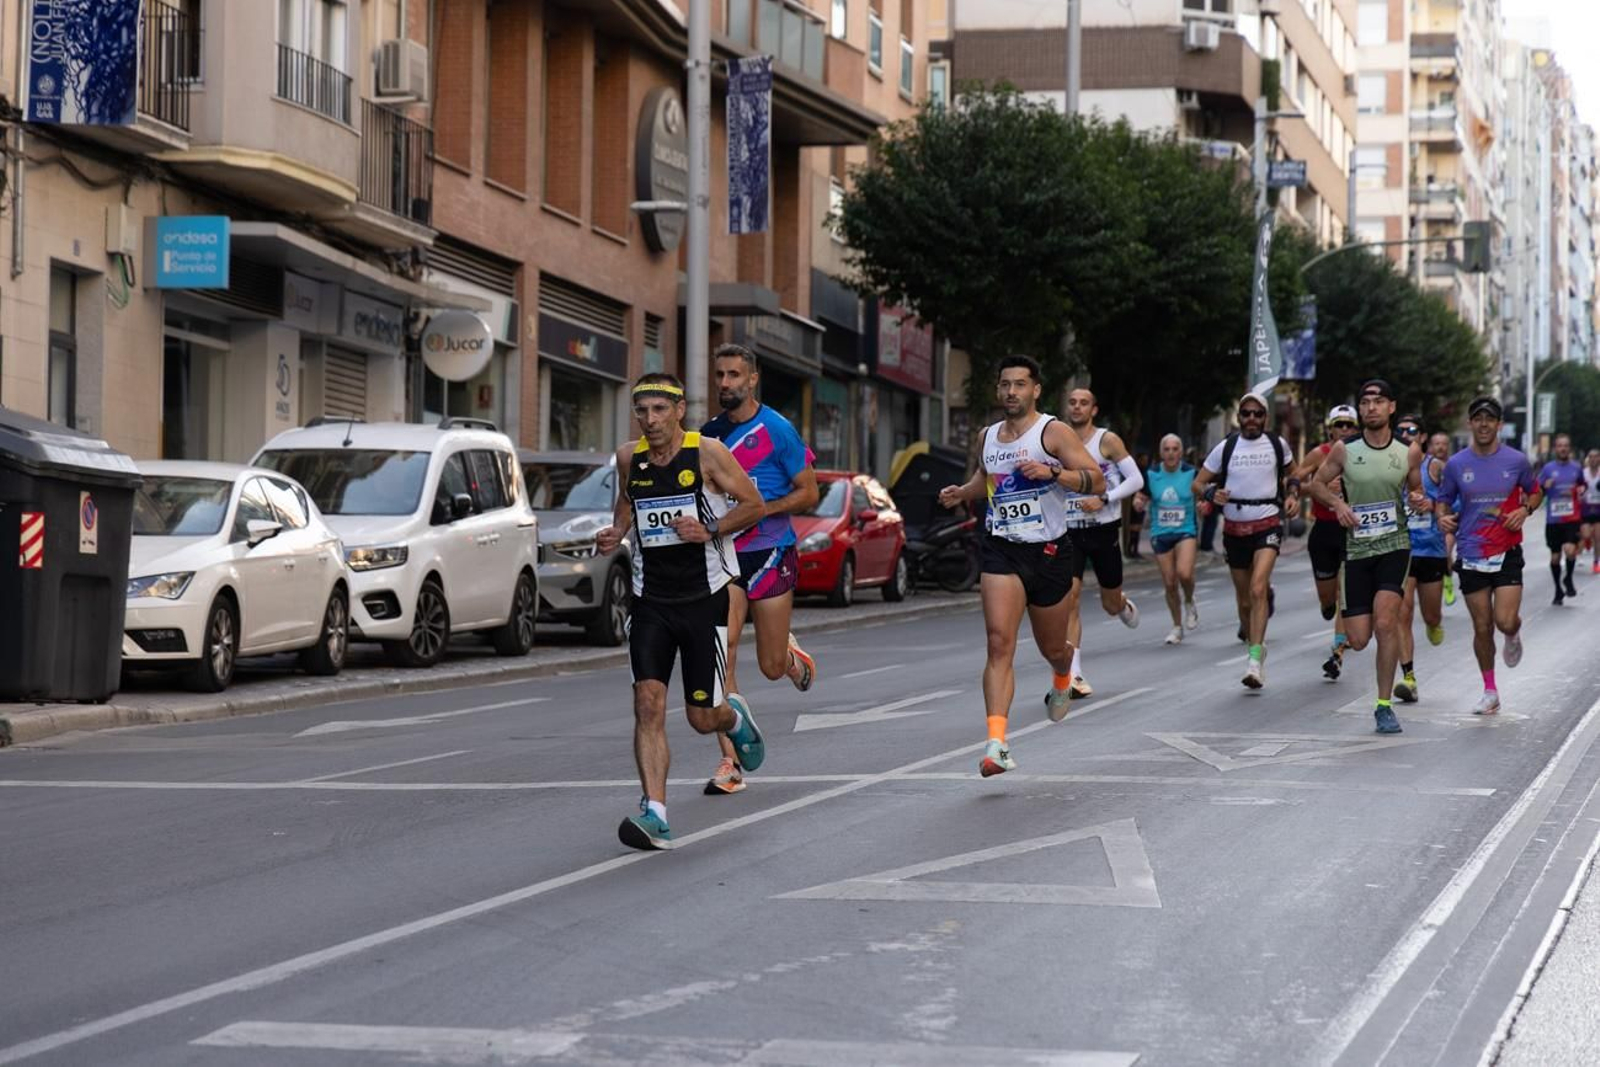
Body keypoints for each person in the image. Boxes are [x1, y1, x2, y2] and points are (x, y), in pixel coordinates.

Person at [596, 373, 769, 851]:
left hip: (704, 598)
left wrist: (709, 528)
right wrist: (616, 533)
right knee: (647, 704)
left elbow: (754, 505)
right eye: (641, 411)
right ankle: (656, 813)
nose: (649, 420)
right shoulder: (629, 457)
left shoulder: (708, 452)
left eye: (658, 410)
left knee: (700, 717)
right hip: (650, 599)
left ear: (678, 411)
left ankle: (733, 721)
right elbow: (628, 504)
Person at [937, 356, 1105, 776]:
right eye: (1005, 385)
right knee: (999, 643)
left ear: (1035, 390)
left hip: (1048, 552)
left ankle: (1064, 675)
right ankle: (997, 744)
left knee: (1052, 648)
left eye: (1019, 385)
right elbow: (988, 479)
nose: (1011, 392)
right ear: (998, 391)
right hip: (1001, 549)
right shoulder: (987, 437)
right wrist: (964, 492)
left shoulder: (1053, 432)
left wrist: (1053, 473)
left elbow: (1095, 480)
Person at [700, 344, 819, 796]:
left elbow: (808, 493)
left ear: (752, 379)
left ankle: (789, 657)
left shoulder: (777, 429)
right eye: (719, 375)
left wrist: (758, 508)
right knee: (721, 652)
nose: (725, 383)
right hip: (724, 556)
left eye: (734, 375)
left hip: (771, 552)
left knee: (768, 667)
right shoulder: (707, 436)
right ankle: (730, 763)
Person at [1309, 380, 1424, 734]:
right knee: (1358, 639)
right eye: (1365, 402)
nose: (1371, 408)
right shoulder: (1344, 450)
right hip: (1356, 550)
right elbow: (1314, 483)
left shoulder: (1409, 451)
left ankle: (1384, 705)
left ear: (1391, 407)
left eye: (1378, 402)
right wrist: (1338, 503)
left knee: (1386, 623)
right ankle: (1368, 626)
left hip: (1394, 546)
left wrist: (1420, 500)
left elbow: (1417, 491)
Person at [1435, 396, 1542, 717]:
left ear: (1499, 425)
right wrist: (1441, 516)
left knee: (1504, 620)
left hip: (1507, 551)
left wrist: (1525, 510)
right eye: (1477, 418)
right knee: (1482, 628)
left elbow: (1536, 491)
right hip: (1471, 553)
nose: (1483, 424)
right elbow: (1443, 500)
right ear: (1470, 423)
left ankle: (1512, 633)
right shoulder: (1456, 464)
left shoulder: (1516, 461)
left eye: (1489, 419)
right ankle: (1490, 691)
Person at [1193, 393, 1298, 690]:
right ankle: (1252, 630)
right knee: (1244, 599)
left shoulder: (1278, 445)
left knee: (1257, 588)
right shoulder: (1225, 447)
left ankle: (1255, 660)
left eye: (1257, 414)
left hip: (1267, 521)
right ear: (1239, 417)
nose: (1252, 419)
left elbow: (1294, 474)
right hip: (1235, 527)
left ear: (1265, 417)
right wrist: (1212, 494)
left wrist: (1292, 495)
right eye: (1246, 414)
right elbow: (1198, 483)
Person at [1059, 388, 1144, 699]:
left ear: (1093, 409)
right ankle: (1075, 675)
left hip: (1104, 528)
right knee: (1071, 598)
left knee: (1109, 604)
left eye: (1083, 403)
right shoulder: (1057, 439)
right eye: (1072, 402)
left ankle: (1121, 604)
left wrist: (1105, 497)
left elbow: (1136, 480)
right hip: (1068, 530)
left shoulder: (1106, 441)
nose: (1077, 407)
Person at [1294, 405, 1359, 680]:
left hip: (1351, 531)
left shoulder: (1361, 454)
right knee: (1328, 598)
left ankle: (1337, 653)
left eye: (1349, 425)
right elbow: (1294, 482)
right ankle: (1326, 606)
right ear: (1330, 428)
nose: (1344, 430)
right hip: (1323, 532)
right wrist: (1318, 487)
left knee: (1345, 595)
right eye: (1339, 425)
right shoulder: (1318, 454)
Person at [1394, 414, 1448, 704]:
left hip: (1432, 549)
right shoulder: (1391, 465)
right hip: (1402, 548)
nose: (1405, 434)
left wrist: (1433, 504)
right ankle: (1409, 677)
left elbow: (1456, 499)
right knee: (1403, 612)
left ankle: (1434, 622)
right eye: (1400, 431)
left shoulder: (1436, 467)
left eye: (1411, 430)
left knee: (1430, 614)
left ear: (1423, 436)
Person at [1137, 433, 1200, 645]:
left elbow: (1203, 493)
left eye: (1175, 449)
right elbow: (1142, 496)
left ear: (1181, 452)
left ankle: (1190, 600)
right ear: (1161, 452)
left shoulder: (1191, 473)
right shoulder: (1152, 474)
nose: (1171, 453)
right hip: (1160, 532)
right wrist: (1138, 501)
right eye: (1167, 449)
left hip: (1185, 530)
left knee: (1184, 573)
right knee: (1169, 582)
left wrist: (1204, 504)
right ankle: (1177, 626)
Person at [1537, 433, 1584, 605]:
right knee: (1555, 557)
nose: (1563, 448)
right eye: (1559, 446)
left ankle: (1568, 579)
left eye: (1565, 445)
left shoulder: (1576, 467)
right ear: (1555, 448)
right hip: (1553, 520)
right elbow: (1536, 490)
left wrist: (1580, 490)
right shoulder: (1548, 469)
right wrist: (1544, 486)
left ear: (1569, 448)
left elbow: (1582, 484)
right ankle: (1558, 589)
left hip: (1571, 518)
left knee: (1571, 551)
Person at [1429, 431, 1459, 605]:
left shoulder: (1455, 466)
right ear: (1431, 445)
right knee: (1439, 557)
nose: (1440, 447)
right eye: (1437, 443)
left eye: (1443, 443)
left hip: (1450, 518)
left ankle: (1447, 583)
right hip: (1428, 522)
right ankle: (1444, 575)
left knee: (1445, 551)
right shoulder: (1424, 467)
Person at [1123, 451, 1150, 559]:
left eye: (1146, 460)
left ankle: (1135, 549)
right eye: (1143, 460)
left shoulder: (1146, 471)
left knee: (1138, 526)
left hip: (1143, 500)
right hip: (1134, 500)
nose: (1145, 462)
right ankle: (1131, 549)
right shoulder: (1136, 471)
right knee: (1133, 526)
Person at [1582, 448, 1600, 573]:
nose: (1593, 459)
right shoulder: (1583, 473)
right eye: (1591, 457)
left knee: (1598, 537)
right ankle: (1587, 541)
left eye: (1596, 456)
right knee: (1587, 534)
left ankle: (1596, 562)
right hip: (1586, 508)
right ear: (1588, 459)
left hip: (1599, 508)